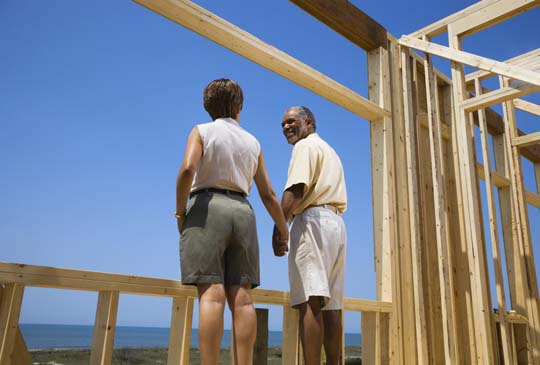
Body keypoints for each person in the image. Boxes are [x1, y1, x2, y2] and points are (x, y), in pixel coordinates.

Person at [175, 78, 289, 365]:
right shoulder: (253, 142)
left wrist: (180, 213)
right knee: (243, 298)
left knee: (212, 296)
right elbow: (269, 194)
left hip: (207, 207)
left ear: (208, 106)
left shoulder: (202, 130)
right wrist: (283, 228)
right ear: (239, 106)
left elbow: (188, 168)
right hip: (243, 210)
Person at [273, 106, 347, 365]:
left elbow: (296, 188)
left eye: (291, 121)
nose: (285, 127)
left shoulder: (304, 147)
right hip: (336, 224)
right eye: (282, 124)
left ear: (309, 122)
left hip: (313, 222)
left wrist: (280, 227)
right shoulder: (331, 152)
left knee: (310, 300)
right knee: (332, 305)